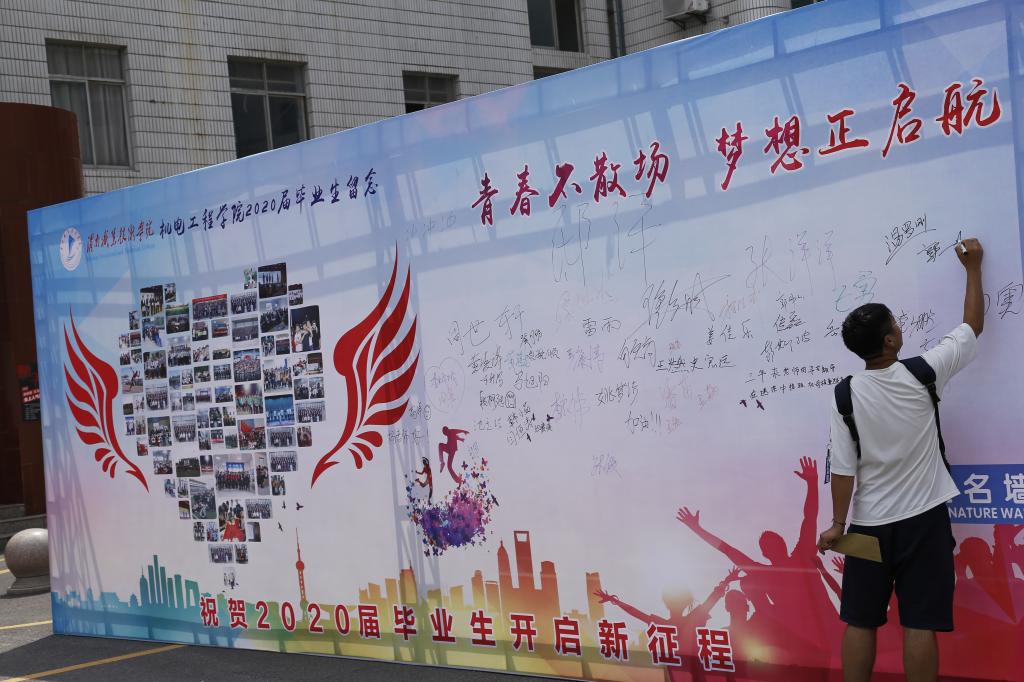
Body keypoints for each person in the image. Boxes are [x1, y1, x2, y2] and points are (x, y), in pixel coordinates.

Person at [818, 238, 984, 682]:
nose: (900, 325)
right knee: (920, 623)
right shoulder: (923, 373)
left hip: (867, 526)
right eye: (896, 322)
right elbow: (972, 326)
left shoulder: (844, 395)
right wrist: (973, 268)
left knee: (859, 619)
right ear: (891, 340)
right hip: (924, 522)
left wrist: (837, 525)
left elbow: (843, 470)